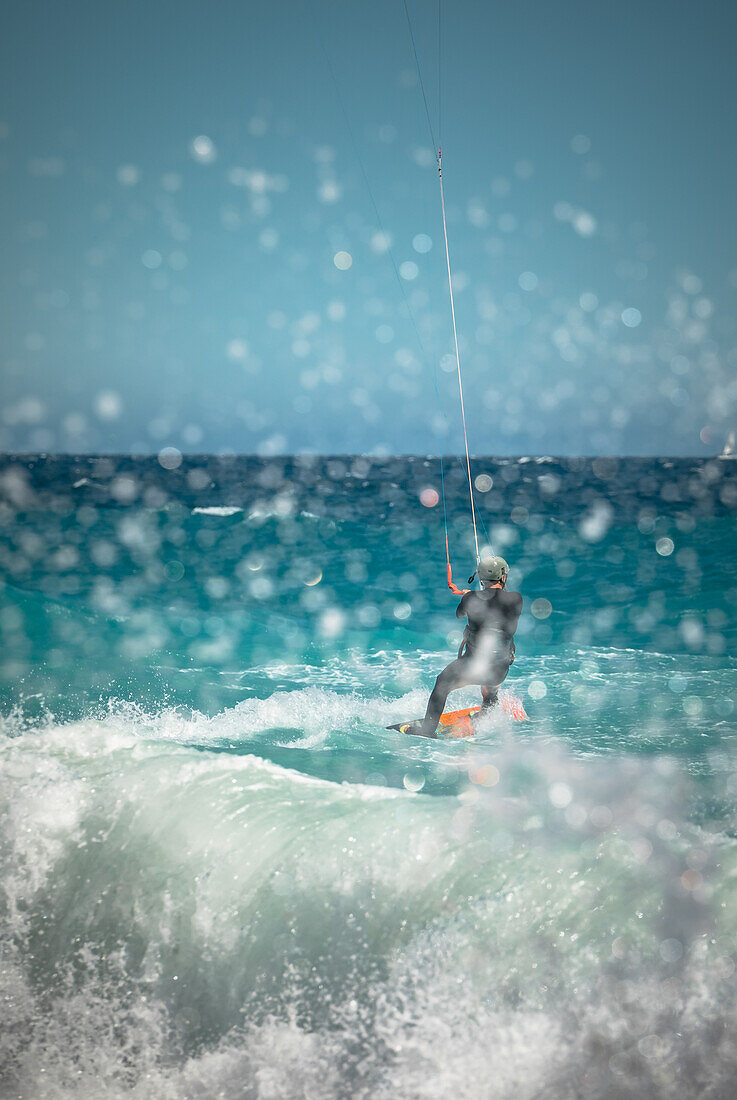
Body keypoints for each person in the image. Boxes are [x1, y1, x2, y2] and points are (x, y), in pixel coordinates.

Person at [413, 555, 522, 737]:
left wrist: (470, 596)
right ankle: (486, 721)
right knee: (491, 687)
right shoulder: (516, 599)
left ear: (480, 577)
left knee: (442, 684)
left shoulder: (471, 598)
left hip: (473, 666)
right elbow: (498, 601)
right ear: (503, 577)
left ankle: (427, 730)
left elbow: (460, 615)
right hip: (499, 669)